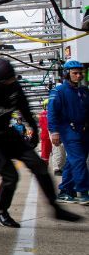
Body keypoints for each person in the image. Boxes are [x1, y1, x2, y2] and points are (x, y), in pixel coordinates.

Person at [0, 58, 81, 227]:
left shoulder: (14, 87)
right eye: (9, 78)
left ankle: (56, 208)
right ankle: (1, 211)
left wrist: (34, 130)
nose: (13, 80)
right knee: (11, 176)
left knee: (39, 166)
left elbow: (25, 109)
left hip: (8, 134)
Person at [47, 59, 89, 205]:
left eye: (80, 73)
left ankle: (65, 191)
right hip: (67, 129)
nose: (79, 76)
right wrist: (54, 132)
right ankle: (83, 192)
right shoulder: (59, 91)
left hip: (83, 130)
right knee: (78, 160)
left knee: (73, 161)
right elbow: (52, 113)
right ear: (66, 74)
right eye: (75, 73)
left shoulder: (83, 92)